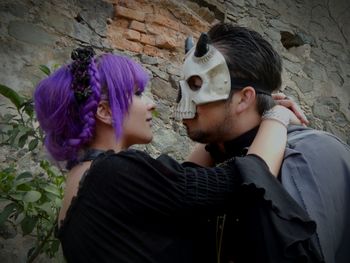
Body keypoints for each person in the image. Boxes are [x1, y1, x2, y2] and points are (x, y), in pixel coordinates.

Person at [34, 47, 310, 262]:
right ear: (104, 112)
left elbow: (181, 187)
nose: (152, 104)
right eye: (138, 93)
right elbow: (243, 186)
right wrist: (276, 116)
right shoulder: (112, 172)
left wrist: (213, 132)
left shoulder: (84, 178)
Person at [176, 22, 350, 263]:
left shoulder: (311, 153)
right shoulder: (217, 156)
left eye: (196, 86)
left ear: (245, 98)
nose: (185, 104)